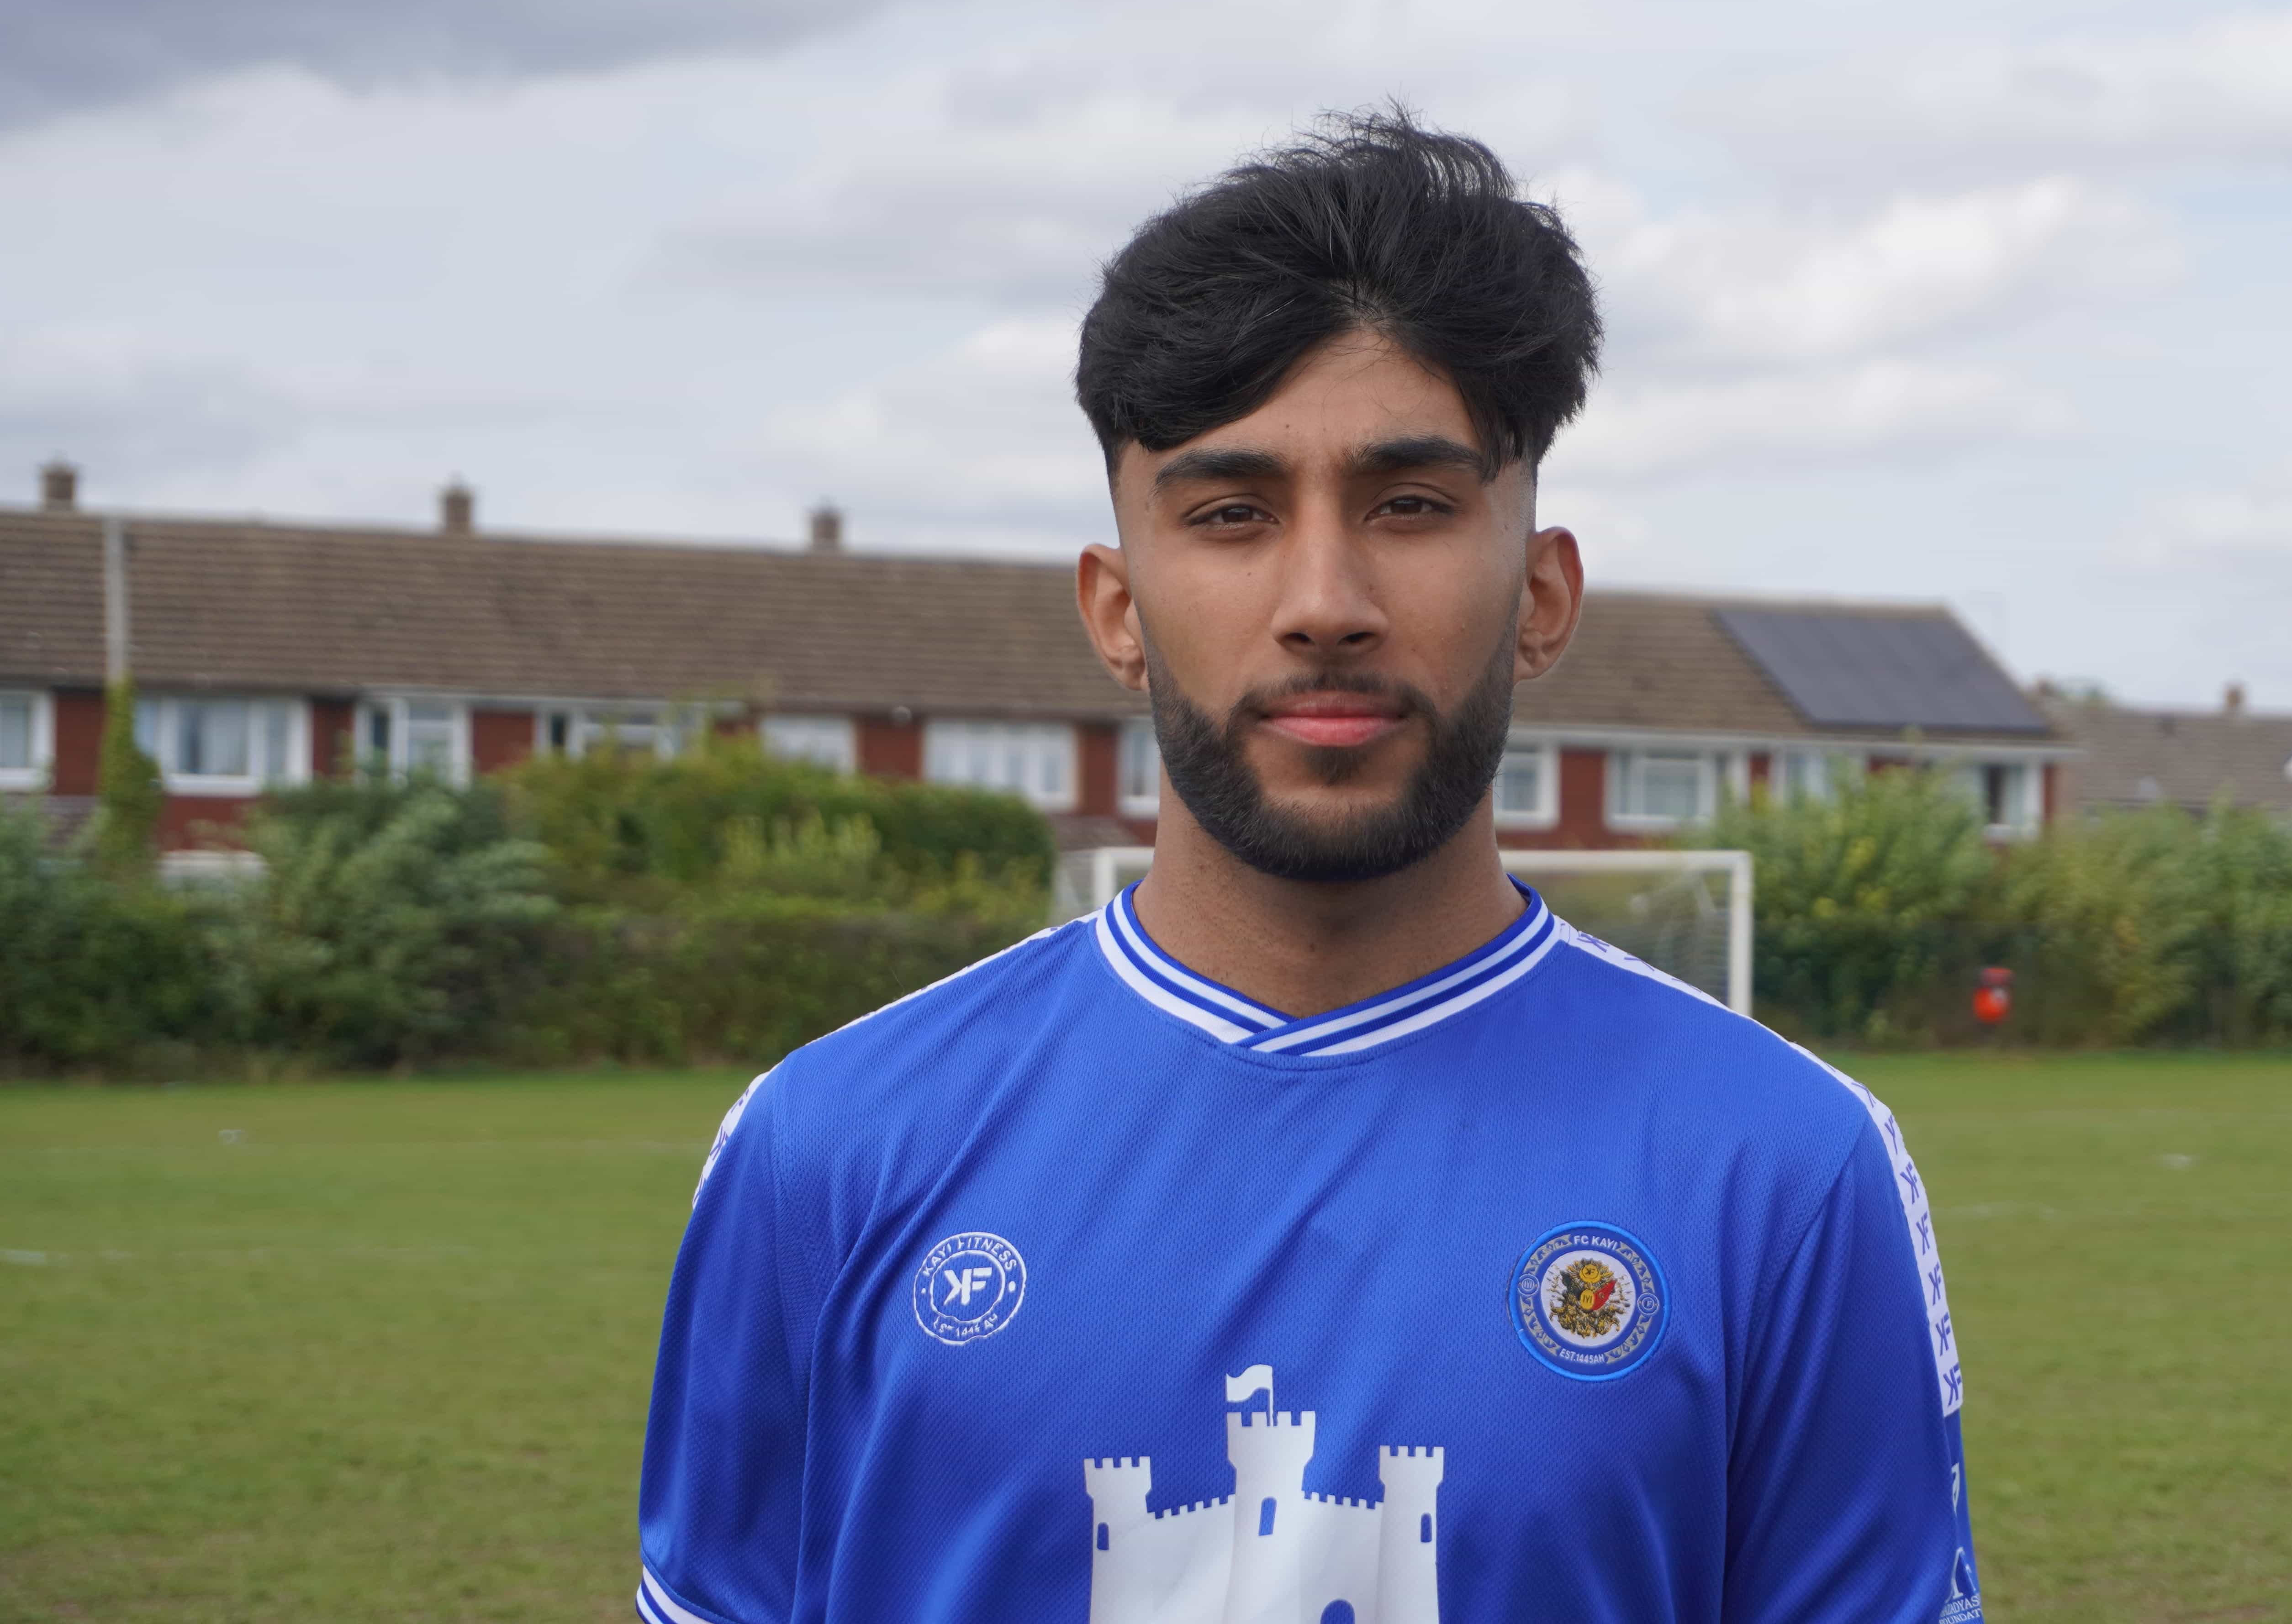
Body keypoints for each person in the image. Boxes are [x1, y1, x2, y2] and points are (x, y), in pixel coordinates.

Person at [634, 113, 1983, 1624]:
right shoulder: (828, 1149)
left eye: (1411, 505)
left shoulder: (1787, 1171)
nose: (1325, 601)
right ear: (1118, 610)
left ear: (1542, 596)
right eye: (1231, 515)